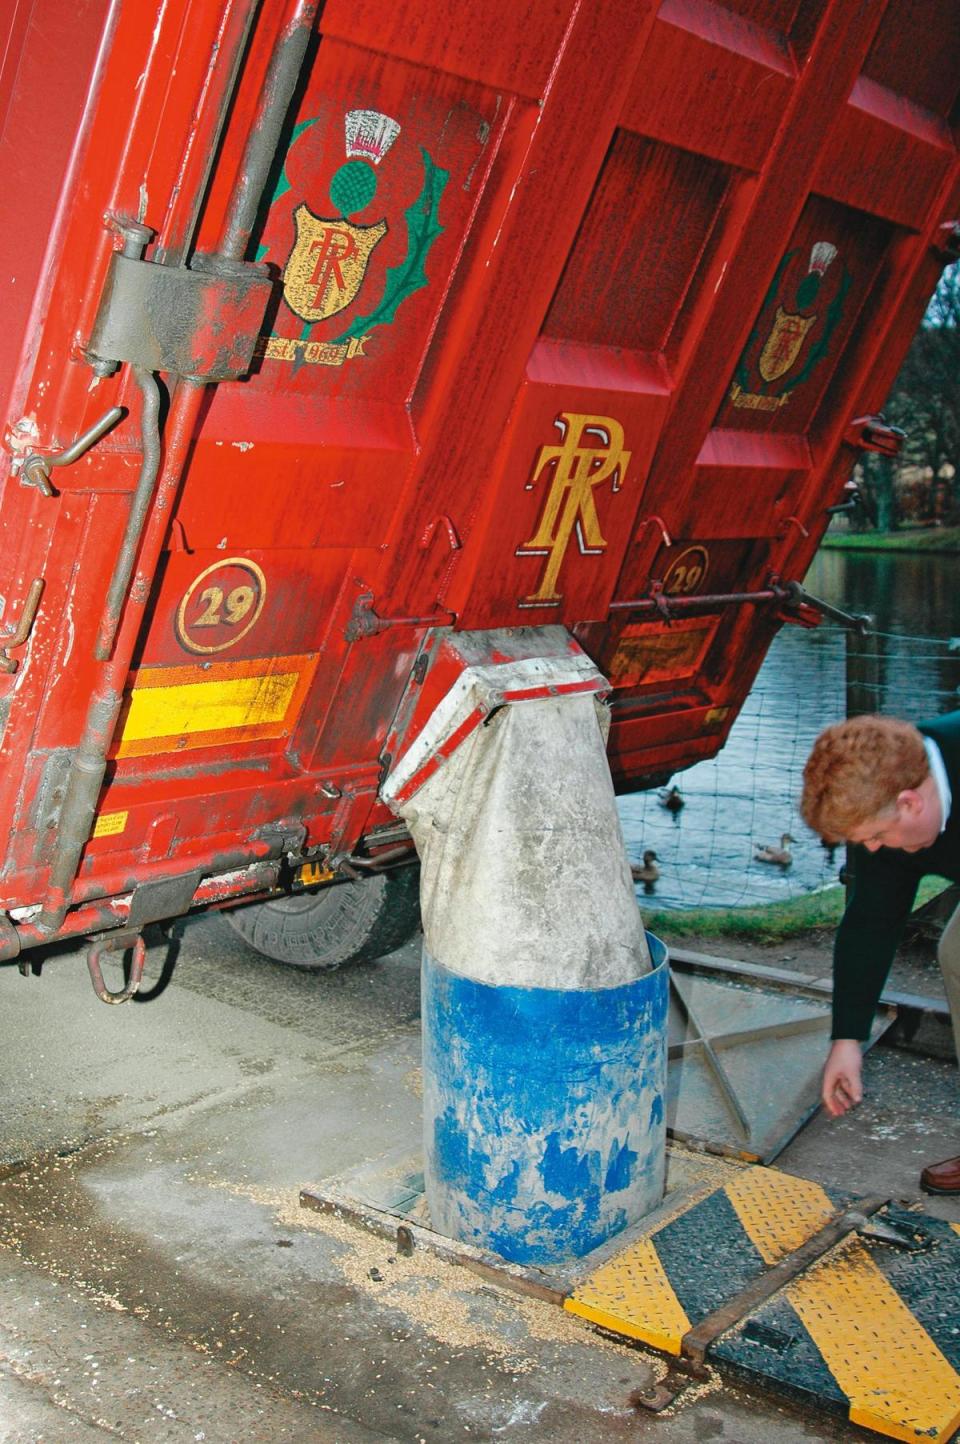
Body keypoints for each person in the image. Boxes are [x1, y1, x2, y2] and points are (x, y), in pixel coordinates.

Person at [800, 710, 960, 1194]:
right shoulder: (887, 792)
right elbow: (870, 923)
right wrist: (847, 1039)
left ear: (910, 803)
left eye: (874, 836)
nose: (872, 849)